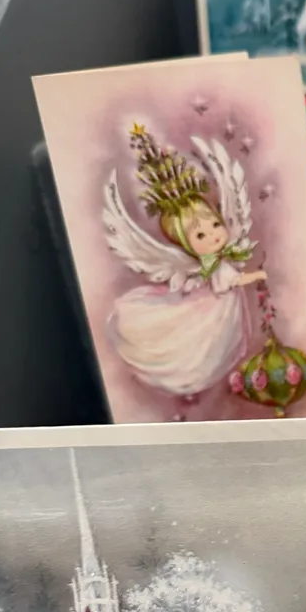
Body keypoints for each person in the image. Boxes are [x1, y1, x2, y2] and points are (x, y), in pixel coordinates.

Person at [104, 124, 267, 407]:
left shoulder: (219, 256)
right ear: (185, 244)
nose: (214, 235)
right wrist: (256, 275)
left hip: (220, 304)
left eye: (215, 224)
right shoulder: (216, 265)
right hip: (217, 308)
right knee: (204, 344)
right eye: (200, 235)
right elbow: (233, 281)